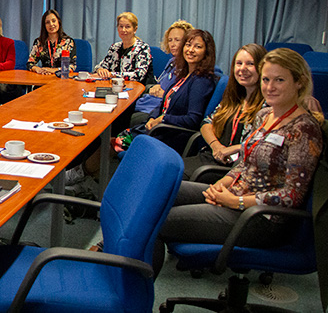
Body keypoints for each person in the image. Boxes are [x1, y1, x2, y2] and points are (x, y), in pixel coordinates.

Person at [155, 48, 323, 274]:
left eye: (279, 80)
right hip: (234, 194)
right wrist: (223, 183)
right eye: (266, 79)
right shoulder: (265, 115)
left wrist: (237, 202)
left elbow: (292, 195)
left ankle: (126, 281)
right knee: (160, 190)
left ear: (299, 82)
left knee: (158, 220)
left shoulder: (304, 129)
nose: (269, 87)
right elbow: (244, 161)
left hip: (260, 218)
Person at [181, 44, 267, 180]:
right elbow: (207, 123)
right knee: (166, 170)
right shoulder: (234, 98)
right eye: (239, 63)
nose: (242, 69)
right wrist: (216, 146)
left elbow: (263, 144)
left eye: (250, 64)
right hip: (211, 157)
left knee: (170, 181)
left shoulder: (267, 106)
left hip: (233, 170)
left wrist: (235, 148)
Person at [132, 29, 217, 153]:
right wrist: (153, 117)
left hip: (171, 136)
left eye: (198, 47)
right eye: (188, 45)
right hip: (159, 129)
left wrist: (163, 119)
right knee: (112, 140)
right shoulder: (184, 74)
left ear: (206, 52)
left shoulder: (201, 81)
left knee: (113, 143)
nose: (191, 50)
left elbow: (193, 120)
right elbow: (165, 103)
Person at [133, 20, 193, 115]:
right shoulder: (172, 62)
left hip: (159, 110)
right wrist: (155, 87)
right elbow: (161, 83)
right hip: (148, 102)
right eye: (170, 40)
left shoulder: (189, 67)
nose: (172, 44)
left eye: (177, 40)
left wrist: (165, 94)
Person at [94, 12, 153, 84]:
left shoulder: (143, 48)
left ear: (135, 29)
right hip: (114, 86)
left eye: (127, 27)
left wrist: (113, 75)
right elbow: (101, 66)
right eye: (121, 26)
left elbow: (139, 75)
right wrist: (100, 69)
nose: (123, 30)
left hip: (136, 89)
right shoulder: (115, 47)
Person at [26, 9, 77, 75]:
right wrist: (37, 69)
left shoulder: (68, 42)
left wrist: (53, 70)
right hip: (44, 77)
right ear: (44, 26)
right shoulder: (39, 42)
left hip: (62, 78)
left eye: (53, 21)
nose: (51, 24)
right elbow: (30, 63)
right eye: (47, 22)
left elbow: (71, 66)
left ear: (58, 22)